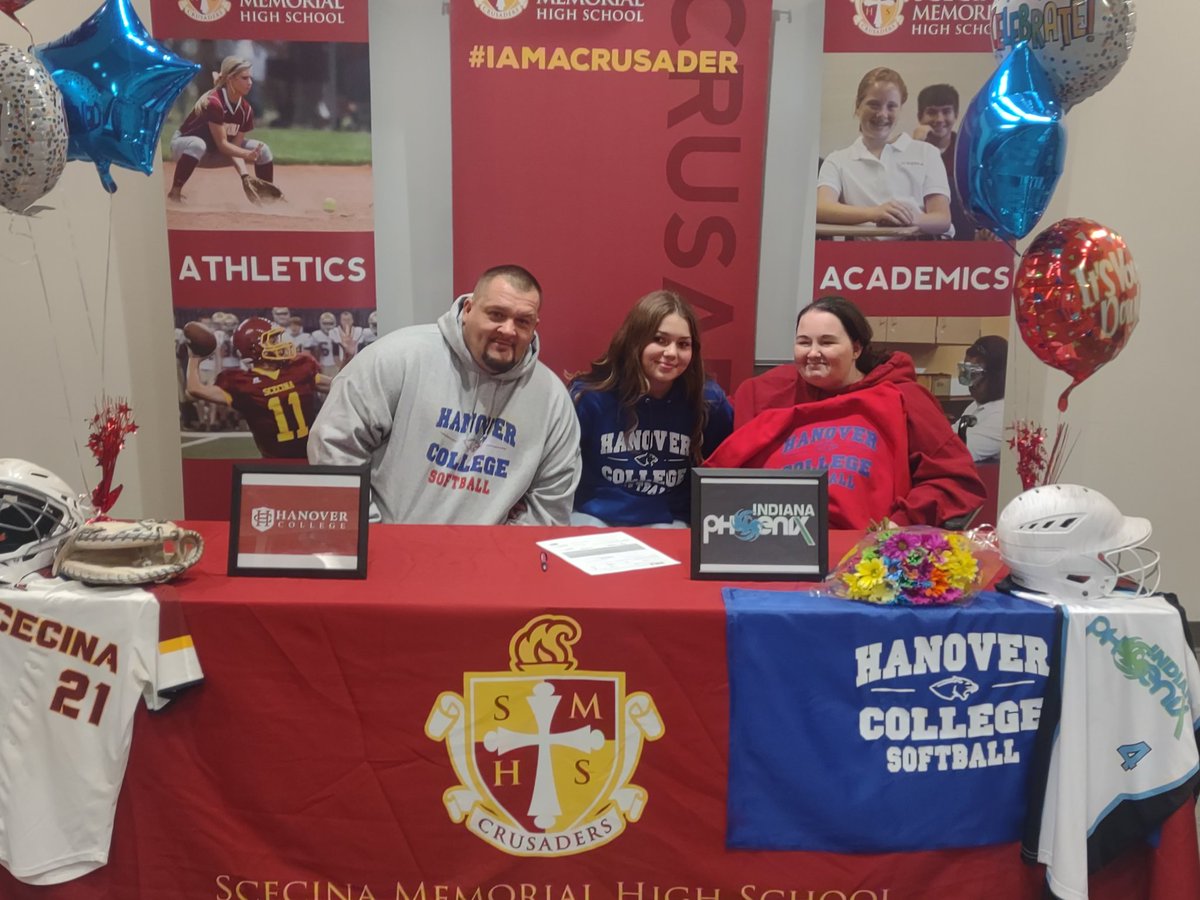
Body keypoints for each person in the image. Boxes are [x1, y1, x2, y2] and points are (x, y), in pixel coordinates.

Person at [307, 264, 581, 525]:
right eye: (496, 314)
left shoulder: (552, 399)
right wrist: (372, 534)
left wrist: (503, 554)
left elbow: (551, 503)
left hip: (490, 563)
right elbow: (334, 445)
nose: (508, 330)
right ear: (469, 310)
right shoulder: (398, 358)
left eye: (523, 321)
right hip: (389, 552)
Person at [707, 296, 984, 529]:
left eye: (826, 343)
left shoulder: (903, 398)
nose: (813, 353)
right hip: (769, 541)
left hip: (865, 553)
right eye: (804, 342)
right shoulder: (763, 392)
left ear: (856, 348)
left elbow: (953, 479)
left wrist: (902, 522)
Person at [569, 290, 733, 527]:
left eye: (683, 344)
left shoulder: (708, 400)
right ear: (634, 340)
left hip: (671, 519)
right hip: (594, 516)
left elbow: (725, 468)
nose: (671, 353)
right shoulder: (590, 397)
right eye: (660, 340)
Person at [816, 67, 951, 237]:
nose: (882, 114)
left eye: (891, 106)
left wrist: (905, 218)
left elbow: (942, 219)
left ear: (900, 109)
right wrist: (875, 213)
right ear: (858, 106)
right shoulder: (837, 160)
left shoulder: (927, 152)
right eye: (874, 104)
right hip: (861, 259)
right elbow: (821, 208)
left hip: (920, 256)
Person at [186, 316, 330, 458]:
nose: (279, 344)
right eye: (272, 340)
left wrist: (347, 356)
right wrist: (195, 357)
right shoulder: (243, 384)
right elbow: (195, 389)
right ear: (254, 348)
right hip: (274, 463)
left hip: (312, 457)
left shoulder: (298, 368)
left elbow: (338, 385)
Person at [167, 57, 278, 203]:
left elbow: (234, 148)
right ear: (231, 79)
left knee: (263, 150)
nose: (250, 82)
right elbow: (223, 144)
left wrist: (244, 175)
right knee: (198, 144)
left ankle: (267, 198)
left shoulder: (246, 110)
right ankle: (175, 193)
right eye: (244, 78)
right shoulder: (214, 103)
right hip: (184, 149)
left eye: (250, 78)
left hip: (215, 153)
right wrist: (246, 154)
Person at [911, 83, 980, 242]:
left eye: (946, 111)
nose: (939, 119)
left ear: (956, 115)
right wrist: (916, 146)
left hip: (963, 233)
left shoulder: (968, 152)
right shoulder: (907, 150)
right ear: (920, 117)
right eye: (932, 112)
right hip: (920, 232)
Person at [954, 335, 1007, 463]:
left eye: (974, 375)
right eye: (966, 374)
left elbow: (957, 452)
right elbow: (948, 436)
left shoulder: (1002, 416)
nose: (971, 384)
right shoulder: (976, 406)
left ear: (995, 376)